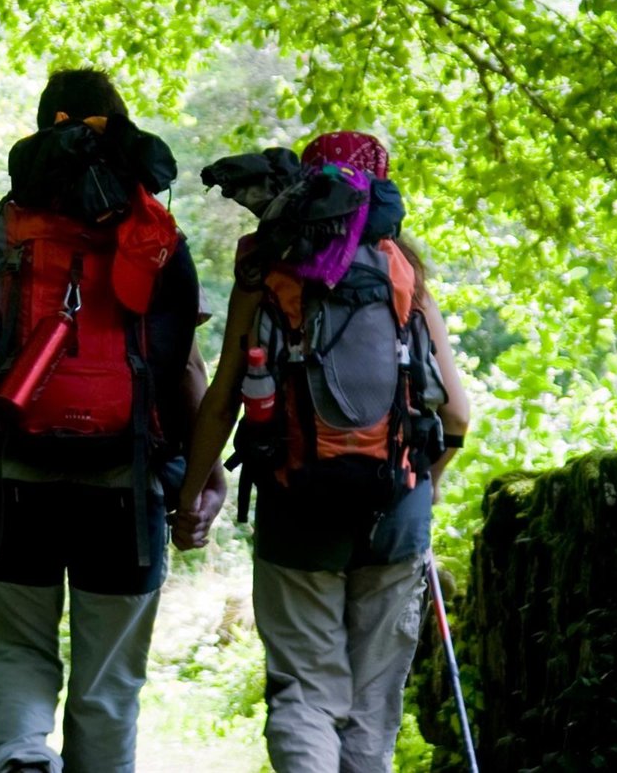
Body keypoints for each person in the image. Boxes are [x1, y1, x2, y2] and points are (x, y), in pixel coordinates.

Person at [0, 68, 225, 773]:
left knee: (12, 653)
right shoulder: (154, 237)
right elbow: (185, 370)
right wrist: (203, 475)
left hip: (9, 479)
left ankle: (21, 758)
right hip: (125, 487)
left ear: (44, 130)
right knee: (109, 686)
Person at [174, 131, 470, 772]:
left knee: (305, 695)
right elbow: (456, 414)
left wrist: (192, 493)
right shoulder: (402, 270)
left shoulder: (265, 268)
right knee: (372, 709)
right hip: (394, 510)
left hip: (296, 503)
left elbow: (224, 397)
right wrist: (429, 484)